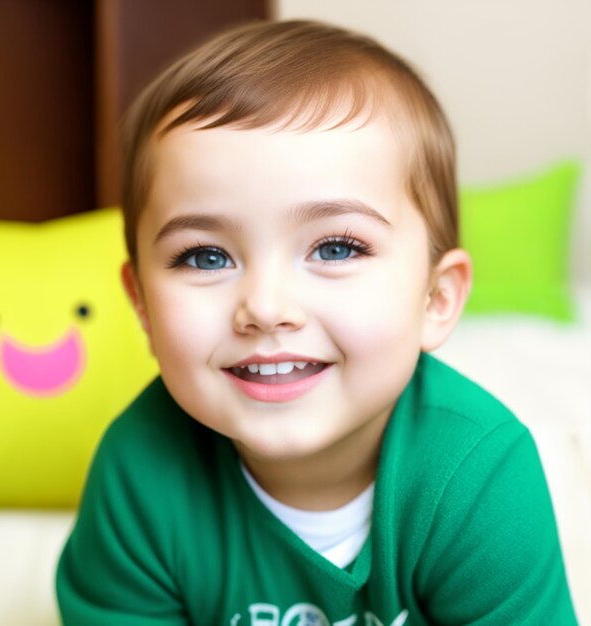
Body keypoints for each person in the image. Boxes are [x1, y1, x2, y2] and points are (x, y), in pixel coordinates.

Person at [56, 19, 578, 625]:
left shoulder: (479, 476)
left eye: (335, 248)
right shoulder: (139, 473)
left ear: (435, 299)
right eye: (206, 256)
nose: (267, 307)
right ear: (142, 303)